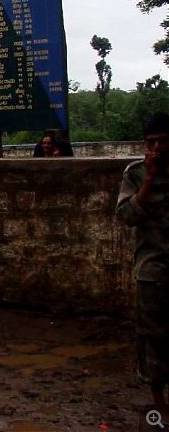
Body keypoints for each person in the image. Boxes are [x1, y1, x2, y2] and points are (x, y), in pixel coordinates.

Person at [115, 112, 169, 415]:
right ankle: (159, 404)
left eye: (163, 140)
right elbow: (126, 217)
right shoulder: (135, 174)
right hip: (153, 269)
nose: (158, 147)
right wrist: (149, 179)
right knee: (153, 339)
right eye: (152, 142)